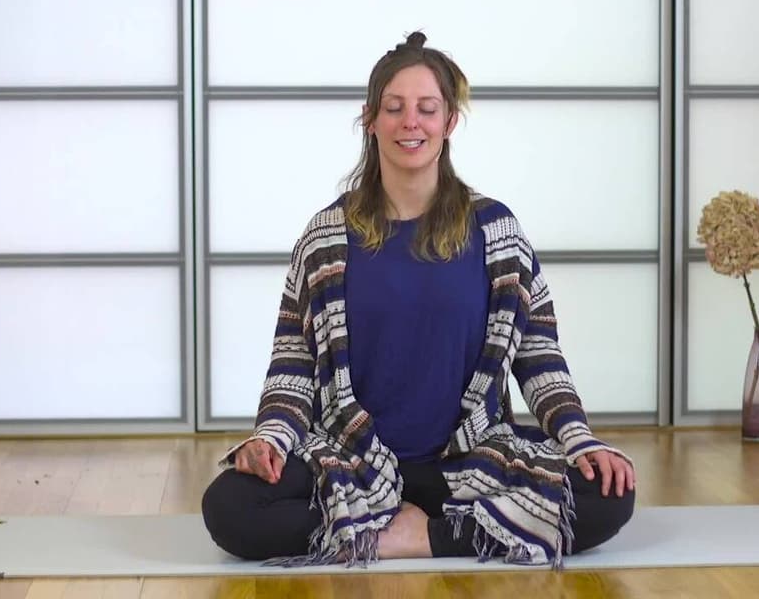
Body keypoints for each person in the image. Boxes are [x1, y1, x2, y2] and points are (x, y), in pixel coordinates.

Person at [201, 31, 635, 568]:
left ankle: (409, 537)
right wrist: (270, 438)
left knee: (608, 494)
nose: (411, 123)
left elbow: (539, 355)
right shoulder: (325, 237)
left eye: (427, 109)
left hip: (467, 464)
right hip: (352, 462)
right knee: (230, 508)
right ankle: (443, 530)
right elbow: (293, 360)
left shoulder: (496, 231)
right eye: (395, 108)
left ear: (449, 122)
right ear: (370, 119)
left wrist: (580, 440)